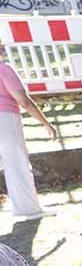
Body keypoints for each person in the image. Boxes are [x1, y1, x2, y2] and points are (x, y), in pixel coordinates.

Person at [0, 52, 58, 221]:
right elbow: (23, 101)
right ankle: (29, 209)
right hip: (5, 119)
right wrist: (46, 123)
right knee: (16, 164)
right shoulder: (5, 69)